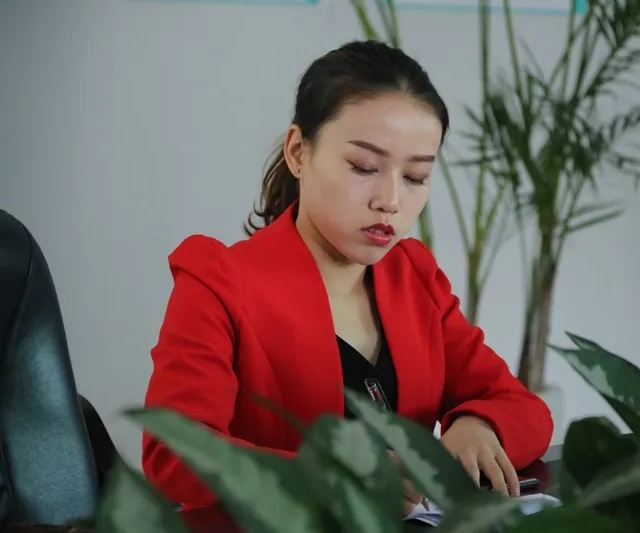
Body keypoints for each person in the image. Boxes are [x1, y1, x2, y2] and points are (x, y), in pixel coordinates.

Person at [142, 39, 553, 514]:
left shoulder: (414, 276)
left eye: (415, 177)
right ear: (299, 152)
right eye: (364, 167)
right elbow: (174, 455)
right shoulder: (218, 281)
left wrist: (480, 425)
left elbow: (523, 408)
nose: (390, 201)